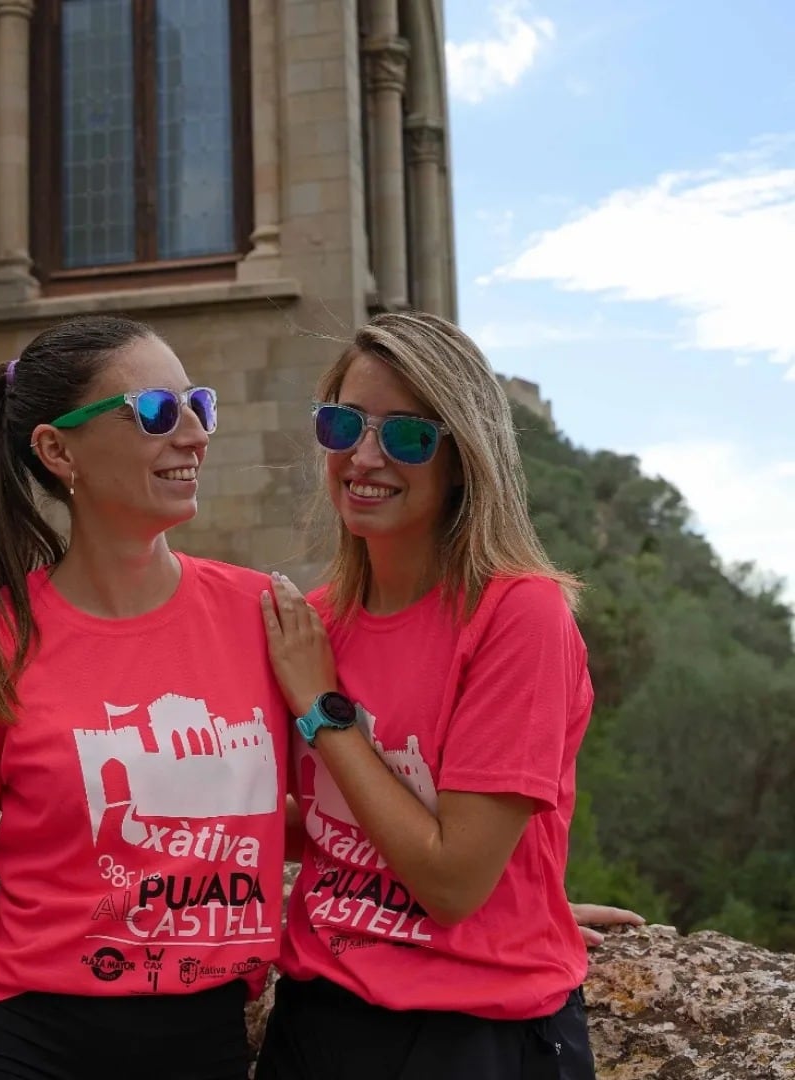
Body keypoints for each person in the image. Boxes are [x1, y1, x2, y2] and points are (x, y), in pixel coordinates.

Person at [0, 314, 292, 1080]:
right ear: (58, 449)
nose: (195, 435)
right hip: (29, 1040)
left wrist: (489, 908)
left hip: (202, 1040)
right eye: (156, 413)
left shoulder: (266, 618)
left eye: (198, 406)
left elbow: (343, 812)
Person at [256, 311, 641, 1080]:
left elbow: (454, 881)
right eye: (344, 425)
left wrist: (324, 712)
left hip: (473, 1033)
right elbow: (333, 825)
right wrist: (530, 896)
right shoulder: (321, 622)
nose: (364, 457)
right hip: (317, 1015)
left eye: (406, 436)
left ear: (461, 458)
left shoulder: (518, 616)